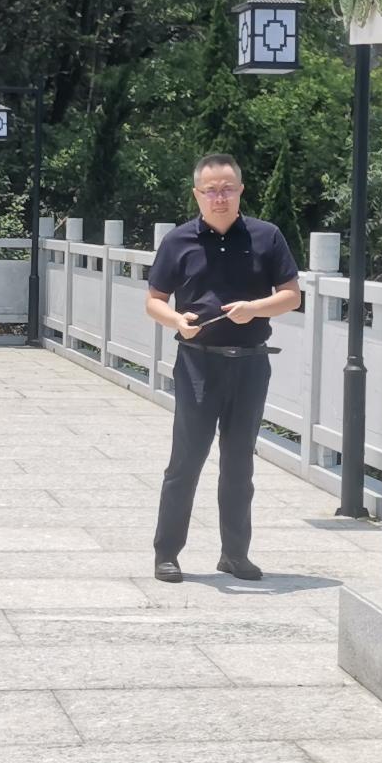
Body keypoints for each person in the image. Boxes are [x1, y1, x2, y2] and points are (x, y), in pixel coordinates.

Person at [144, 153, 302, 583]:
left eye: (227, 188)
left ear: (240, 191)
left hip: (250, 365)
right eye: (210, 190)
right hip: (198, 363)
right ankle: (167, 552)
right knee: (186, 459)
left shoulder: (266, 237)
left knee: (239, 463)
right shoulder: (179, 241)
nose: (219, 197)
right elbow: (154, 300)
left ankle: (235, 554)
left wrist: (254, 309)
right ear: (197, 194)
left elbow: (291, 296)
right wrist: (176, 321)